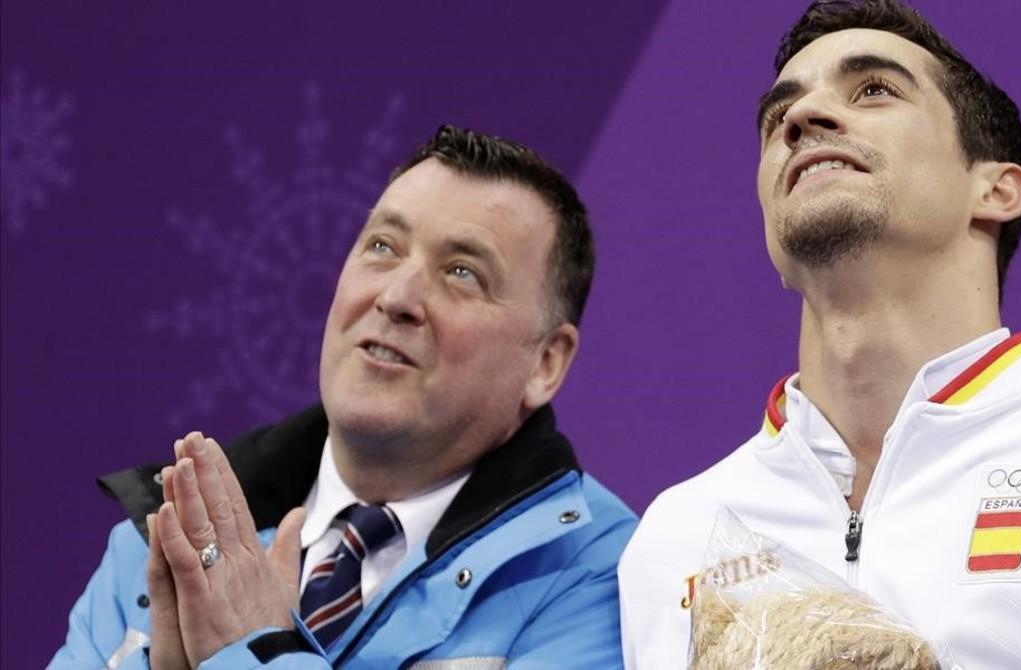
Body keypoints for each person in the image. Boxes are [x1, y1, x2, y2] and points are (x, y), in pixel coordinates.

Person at [617, 1, 1021, 668]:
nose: (804, 121)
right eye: (780, 119)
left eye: (873, 90)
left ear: (998, 190)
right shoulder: (676, 536)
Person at [53, 125, 636, 669]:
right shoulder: (164, 539)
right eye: (382, 246)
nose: (397, 296)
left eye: (462, 273)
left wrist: (257, 651)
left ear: (546, 362)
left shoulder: (604, 578)